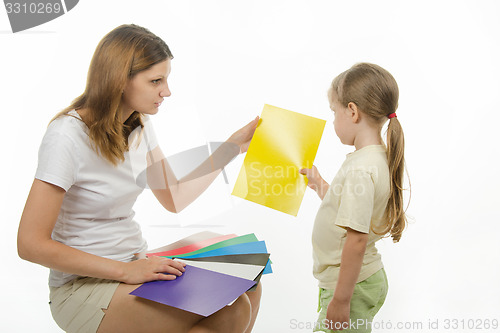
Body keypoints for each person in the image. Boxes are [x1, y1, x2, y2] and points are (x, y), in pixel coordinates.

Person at [17, 24, 261, 333]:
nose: (167, 91)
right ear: (119, 80)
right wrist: (127, 270)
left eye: (166, 79)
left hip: (134, 263)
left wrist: (232, 148)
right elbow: (30, 244)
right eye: (156, 80)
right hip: (83, 288)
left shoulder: (139, 125)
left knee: (249, 281)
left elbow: (173, 197)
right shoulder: (66, 136)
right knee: (234, 306)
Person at [300, 63, 409, 332]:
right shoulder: (375, 158)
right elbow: (351, 208)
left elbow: (357, 240)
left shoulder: (360, 169)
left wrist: (340, 299)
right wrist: (320, 185)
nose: (333, 120)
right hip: (359, 281)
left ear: (352, 111)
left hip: (350, 287)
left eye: (334, 112)